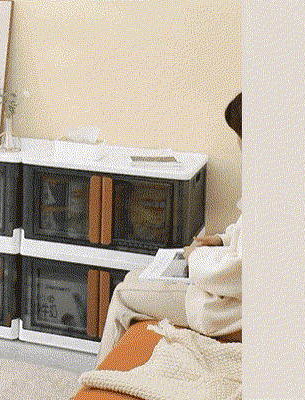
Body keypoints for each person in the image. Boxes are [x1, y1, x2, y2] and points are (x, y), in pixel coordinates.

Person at [96, 93, 242, 366]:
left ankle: (101, 378)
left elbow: (237, 272)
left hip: (226, 311)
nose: (238, 144)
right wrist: (222, 239)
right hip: (229, 300)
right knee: (134, 277)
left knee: (122, 294)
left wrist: (195, 256)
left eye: (240, 136)